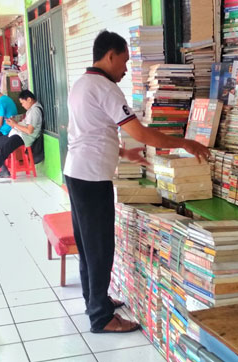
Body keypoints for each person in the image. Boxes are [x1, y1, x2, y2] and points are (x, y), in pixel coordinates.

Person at [65, 30, 209, 334]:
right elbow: (142, 132)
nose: (126, 68)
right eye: (125, 61)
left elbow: (89, 132)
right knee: (100, 247)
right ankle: (101, 318)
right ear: (110, 56)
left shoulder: (81, 85)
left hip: (78, 173)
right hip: (92, 177)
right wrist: (184, 142)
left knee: (89, 244)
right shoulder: (105, 88)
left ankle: (95, 300)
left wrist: (123, 153)